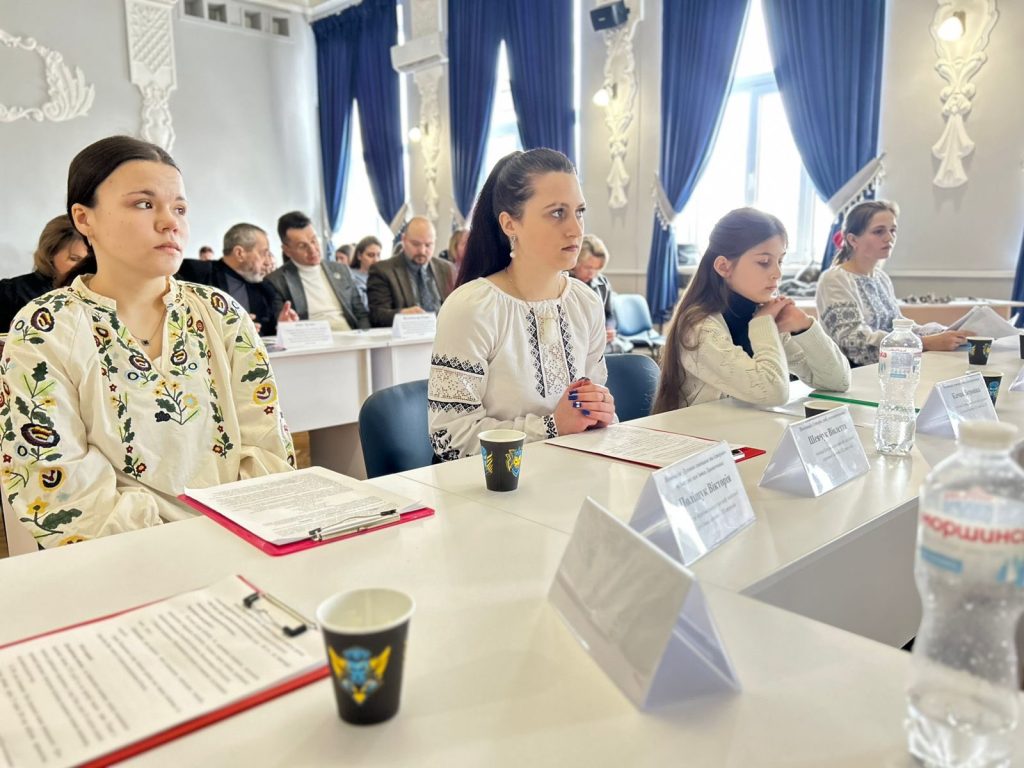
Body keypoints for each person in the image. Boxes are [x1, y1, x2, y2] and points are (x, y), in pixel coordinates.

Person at [0, 135, 294, 548]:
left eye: (179, 208)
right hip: (121, 558)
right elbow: (56, 484)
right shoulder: (45, 328)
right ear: (84, 219)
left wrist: (237, 536)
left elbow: (267, 446)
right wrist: (171, 549)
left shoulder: (221, 313)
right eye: (143, 204)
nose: (170, 222)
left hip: (244, 541)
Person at [428, 149, 615, 461]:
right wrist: (552, 426)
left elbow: (590, 410)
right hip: (492, 484)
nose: (576, 229)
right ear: (510, 224)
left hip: (572, 472)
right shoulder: (472, 308)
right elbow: (449, 438)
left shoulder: (585, 302)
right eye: (557, 213)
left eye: (579, 211)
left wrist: (600, 412)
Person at [653, 207, 851, 412]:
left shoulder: (765, 314)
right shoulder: (698, 328)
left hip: (743, 428)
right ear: (723, 267)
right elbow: (774, 392)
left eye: (780, 261)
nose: (777, 273)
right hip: (699, 431)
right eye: (764, 262)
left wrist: (805, 327)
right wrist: (762, 325)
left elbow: (838, 381)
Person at [816, 200, 971, 367]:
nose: (889, 238)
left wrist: (946, 332)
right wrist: (924, 343)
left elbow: (898, 325)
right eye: (879, 231)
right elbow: (854, 344)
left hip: (885, 370)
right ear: (853, 240)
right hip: (851, 374)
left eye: (892, 230)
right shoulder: (835, 279)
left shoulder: (881, 278)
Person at [176, 222, 297, 336]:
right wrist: (223, 330)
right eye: (263, 253)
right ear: (239, 253)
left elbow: (268, 333)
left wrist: (281, 326)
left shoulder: (265, 288)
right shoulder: (194, 273)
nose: (267, 261)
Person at [264, 211, 369, 331]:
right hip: (312, 338)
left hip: (349, 334)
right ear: (287, 250)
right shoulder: (276, 281)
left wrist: (365, 336)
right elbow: (282, 323)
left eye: (314, 240)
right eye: (302, 246)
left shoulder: (341, 270)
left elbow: (361, 314)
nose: (313, 250)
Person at [0, 215, 87, 332]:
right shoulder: (9, 293)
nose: (84, 266)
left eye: (90, 260)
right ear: (50, 253)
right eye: (74, 259)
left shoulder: (97, 298)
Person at [366, 216, 454, 327]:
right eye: (416, 244)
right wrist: (402, 314)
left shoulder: (447, 269)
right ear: (403, 240)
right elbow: (377, 315)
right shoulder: (383, 270)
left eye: (428, 245)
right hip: (406, 334)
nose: (422, 251)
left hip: (443, 331)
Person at [569, 234, 632, 354]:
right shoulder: (563, 282)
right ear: (576, 262)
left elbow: (609, 314)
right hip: (576, 342)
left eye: (597, 268)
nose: (592, 273)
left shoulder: (603, 282)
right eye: (588, 267)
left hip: (600, 340)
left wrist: (609, 328)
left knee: (621, 350)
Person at [349, 235, 382, 311]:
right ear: (359, 256)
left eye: (378, 255)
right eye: (370, 255)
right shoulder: (351, 276)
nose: (376, 260)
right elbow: (363, 307)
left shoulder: (383, 277)